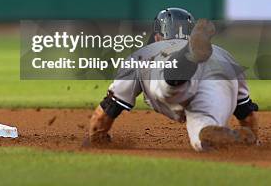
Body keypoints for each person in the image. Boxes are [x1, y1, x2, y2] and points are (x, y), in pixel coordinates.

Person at [86, 8, 260, 152]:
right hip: (220, 71)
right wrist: (253, 139)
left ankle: (184, 60)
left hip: (172, 74)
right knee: (204, 131)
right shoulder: (225, 55)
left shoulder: (145, 53)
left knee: (167, 88)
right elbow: (245, 110)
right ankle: (187, 59)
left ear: (157, 36)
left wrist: (96, 137)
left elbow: (111, 106)